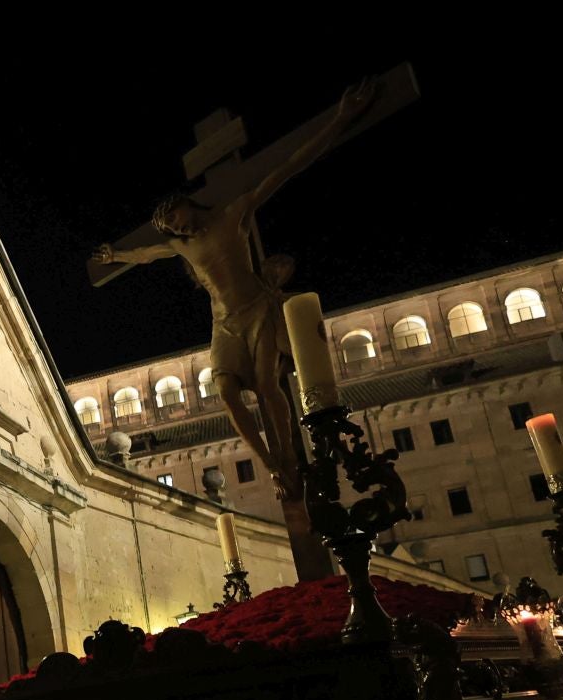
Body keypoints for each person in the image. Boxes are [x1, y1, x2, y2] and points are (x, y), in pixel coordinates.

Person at [90, 79, 377, 491]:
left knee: (267, 386)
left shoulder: (233, 215)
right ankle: (271, 462)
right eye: (170, 226)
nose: (176, 227)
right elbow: (145, 254)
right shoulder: (181, 247)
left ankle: (291, 458)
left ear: (190, 203)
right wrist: (114, 255)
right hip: (223, 323)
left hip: (257, 310)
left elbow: (290, 165)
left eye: (177, 218)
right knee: (226, 392)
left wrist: (340, 118)